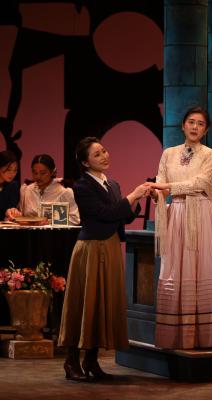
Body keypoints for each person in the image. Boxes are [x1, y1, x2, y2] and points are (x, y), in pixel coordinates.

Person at [58, 137, 151, 381]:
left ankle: (91, 361)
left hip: (109, 248)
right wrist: (132, 196)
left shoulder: (113, 184)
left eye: (105, 151)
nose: (105, 156)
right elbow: (104, 214)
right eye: (98, 154)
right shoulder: (82, 186)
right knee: (85, 304)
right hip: (90, 249)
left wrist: (137, 199)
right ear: (85, 162)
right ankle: (71, 361)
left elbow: (123, 217)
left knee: (102, 304)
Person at [149, 106, 212, 349]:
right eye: (191, 122)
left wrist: (166, 187)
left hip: (202, 214)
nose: (195, 127)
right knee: (176, 269)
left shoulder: (211, 154)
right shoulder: (168, 153)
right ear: (183, 126)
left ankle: (208, 333)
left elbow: (200, 183)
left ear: (206, 129)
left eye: (200, 123)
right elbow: (159, 180)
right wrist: (158, 190)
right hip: (176, 213)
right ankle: (178, 333)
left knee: (202, 266)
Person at [18, 154, 80, 225]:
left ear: (52, 172)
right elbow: (21, 216)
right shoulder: (26, 189)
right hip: (29, 234)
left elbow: (75, 219)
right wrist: (14, 213)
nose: (38, 176)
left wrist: (49, 222)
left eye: (43, 173)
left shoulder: (64, 191)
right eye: (35, 172)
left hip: (54, 235)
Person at [0, 150, 20, 220]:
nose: (12, 174)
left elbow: (11, 208)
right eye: (8, 169)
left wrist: (13, 212)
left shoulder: (13, 186)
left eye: (15, 170)